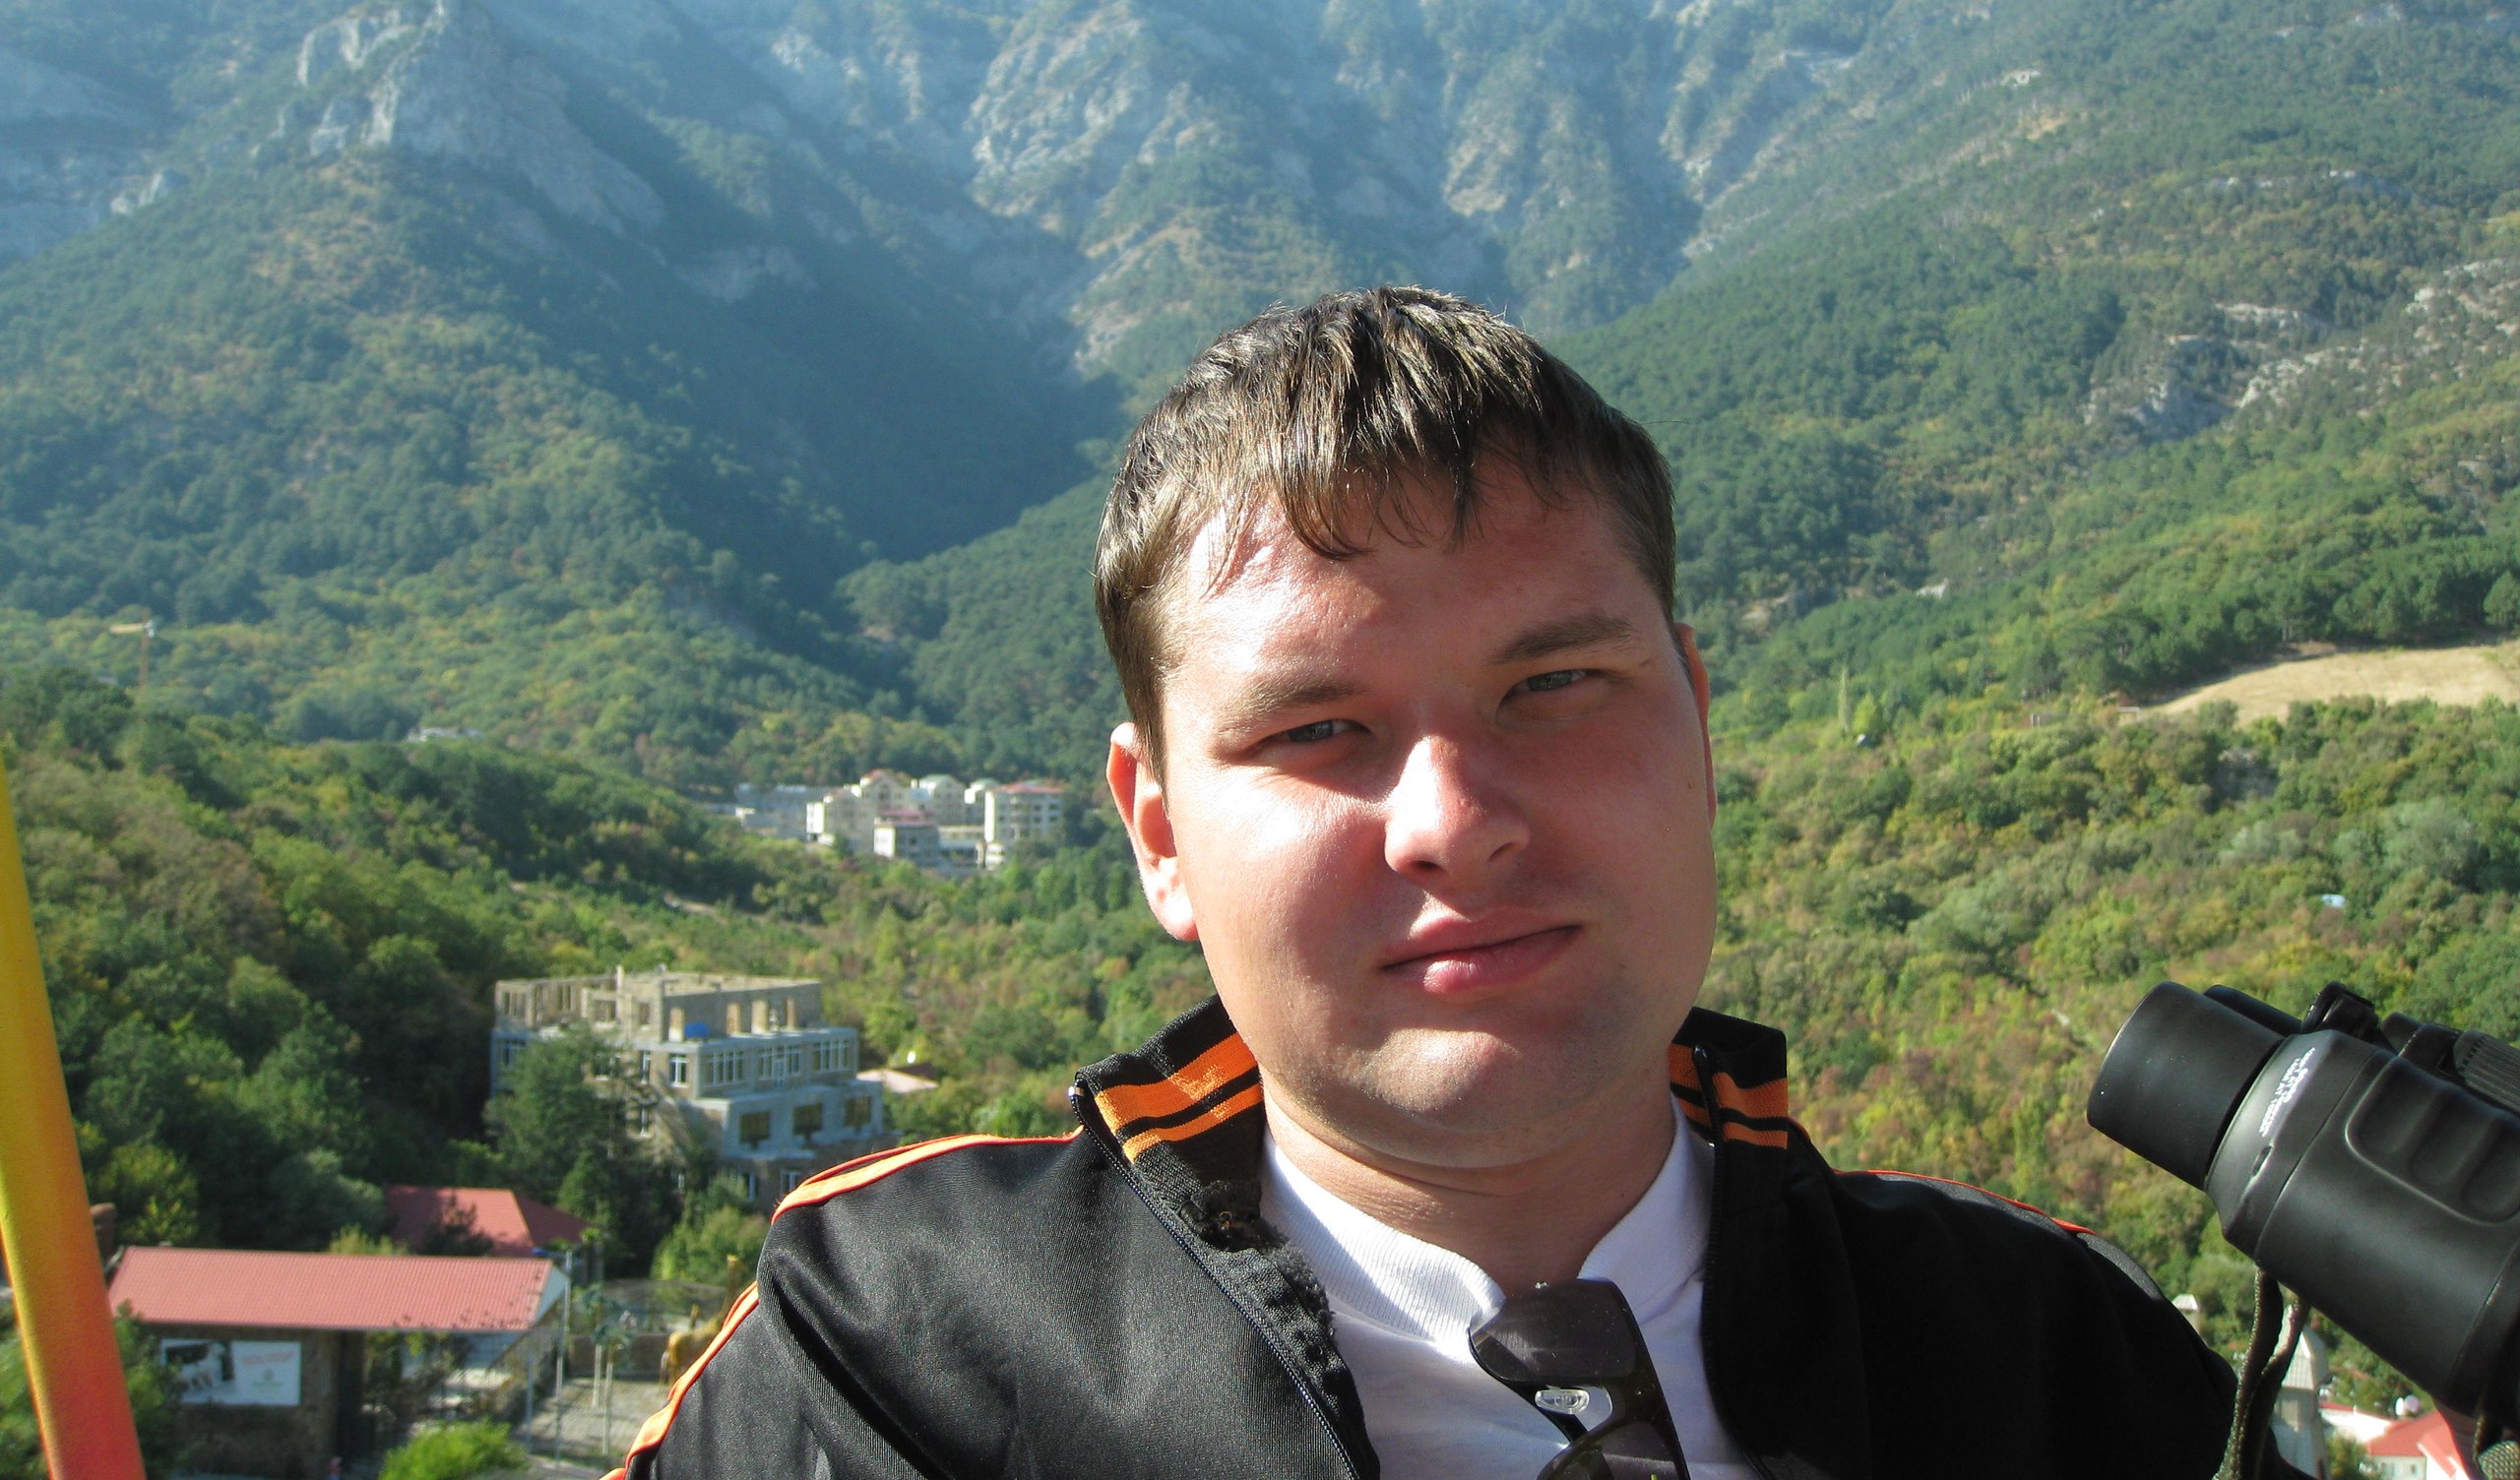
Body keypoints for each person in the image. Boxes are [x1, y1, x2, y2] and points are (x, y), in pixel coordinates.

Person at [614, 287, 2235, 1479]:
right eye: (1318, 729)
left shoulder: (2052, 1360)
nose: (1453, 824)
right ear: (1159, 831)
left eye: (1555, 686)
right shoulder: (907, 1350)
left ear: (1698, 721)